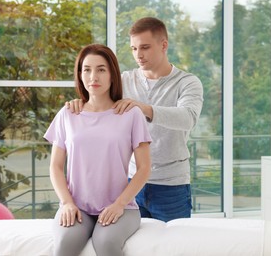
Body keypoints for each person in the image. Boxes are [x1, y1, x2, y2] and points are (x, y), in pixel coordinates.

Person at [67, 17, 203, 222]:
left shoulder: (187, 82)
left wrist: (144, 108)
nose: (138, 55)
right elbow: (98, 103)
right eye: (133, 48)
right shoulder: (123, 80)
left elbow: (188, 118)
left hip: (171, 185)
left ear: (164, 45)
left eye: (145, 47)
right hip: (129, 184)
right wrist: (80, 103)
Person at [44, 43, 152, 256]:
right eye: (87, 69)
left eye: (101, 69)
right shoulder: (68, 113)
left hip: (120, 207)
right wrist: (66, 203)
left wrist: (119, 205)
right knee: (65, 243)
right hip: (77, 207)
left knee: (106, 243)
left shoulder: (131, 115)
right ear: (80, 74)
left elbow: (144, 168)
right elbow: (56, 166)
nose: (93, 76)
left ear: (112, 74)